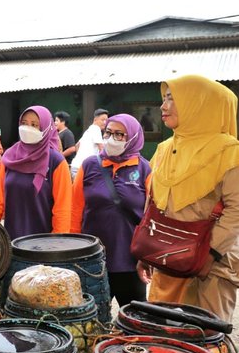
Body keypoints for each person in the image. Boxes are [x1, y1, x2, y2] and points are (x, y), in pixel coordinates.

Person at [137, 75, 239, 322]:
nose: (163, 106)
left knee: (206, 340)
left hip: (211, 266)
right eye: (164, 99)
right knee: (163, 334)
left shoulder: (229, 151)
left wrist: (211, 254)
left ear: (199, 102)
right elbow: (154, 202)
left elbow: (236, 210)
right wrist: (147, 250)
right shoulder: (164, 148)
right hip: (167, 258)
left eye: (172, 98)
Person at [71, 114, 151, 307]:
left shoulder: (144, 169)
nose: (111, 138)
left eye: (119, 134)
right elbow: (75, 209)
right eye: (108, 133)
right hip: (92, 259)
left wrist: (147, 255)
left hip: (129, 260)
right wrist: (72, 248)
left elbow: (150, 216)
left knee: (133, 318)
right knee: (92, 318)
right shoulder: (90, 165)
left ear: (132, 137)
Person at [0, 105, 72, 239]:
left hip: (44, 246)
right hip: (11, 242)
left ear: (45, 128)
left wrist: (57, 245)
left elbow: (63, 210)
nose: (27, 128)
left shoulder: (56, 162)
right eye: (24, 123)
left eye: (34, 125)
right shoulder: (9, 157)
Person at [70, 108, 109, 180]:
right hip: (83, 169)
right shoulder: (96, 129)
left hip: (76, 166)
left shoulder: (89, 130)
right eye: (102, 120)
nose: (104, 122)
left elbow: (77, 145)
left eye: (106, 120)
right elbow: (101, 148)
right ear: (95, 120)